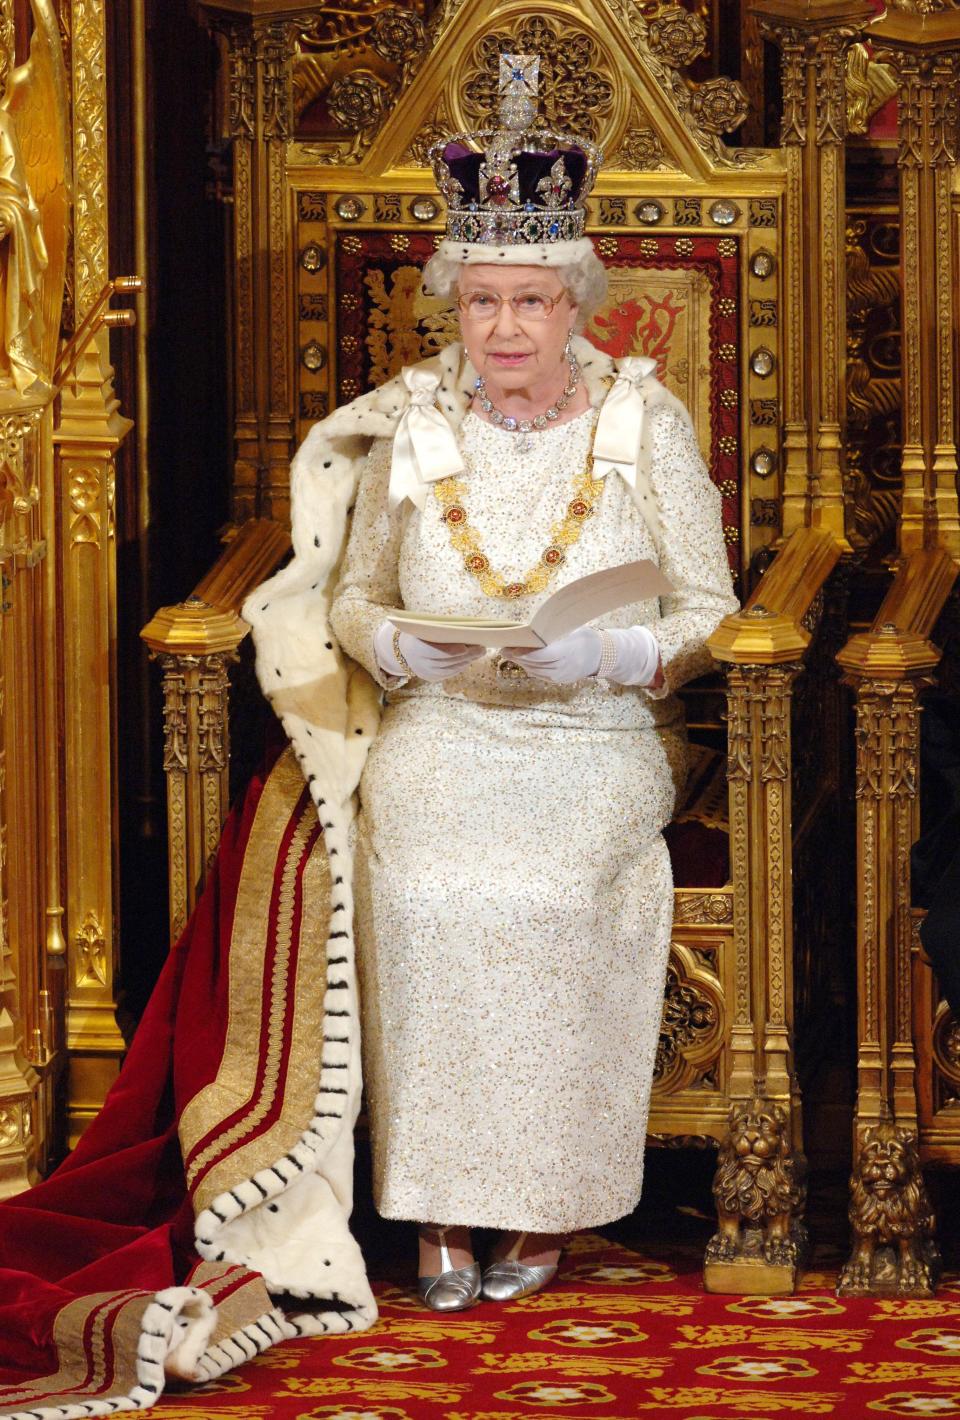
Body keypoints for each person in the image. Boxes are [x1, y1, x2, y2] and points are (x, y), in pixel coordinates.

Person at [294, 52, 739, 1311]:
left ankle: (536, 1199)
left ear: (575, 302)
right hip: (445, 727)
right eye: (480, 300)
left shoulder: (644, 423)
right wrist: (398, 647)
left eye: (529, 302)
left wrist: (611, 650)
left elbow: (710, 609)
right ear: (454, 300)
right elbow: (354, 597)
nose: (502, 329)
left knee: (539, 894)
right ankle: (436, 1206)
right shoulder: (414, 417)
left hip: (593, 739)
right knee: (426, 884)